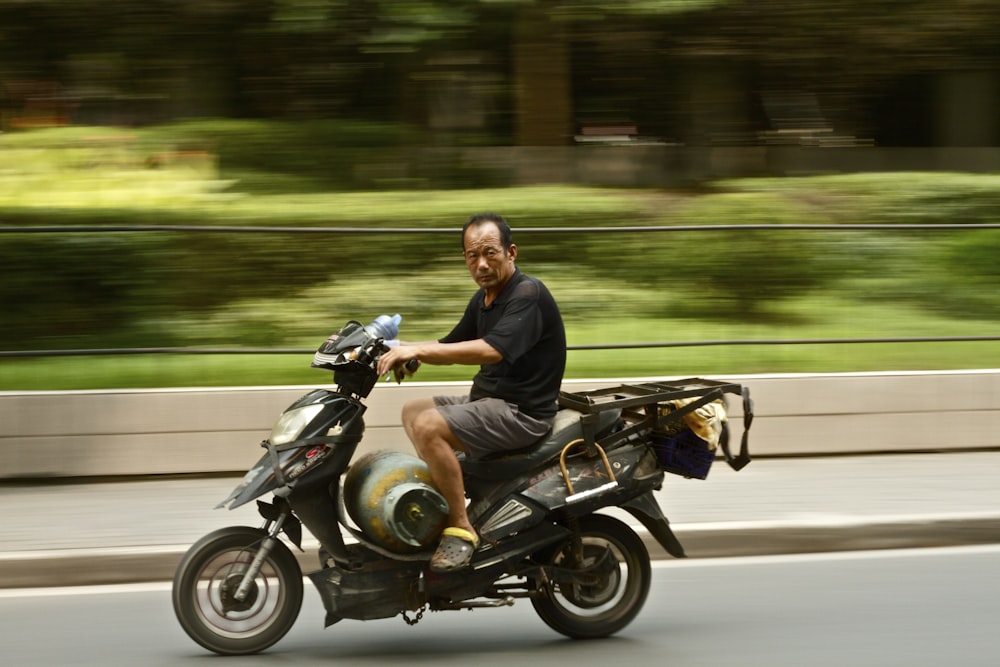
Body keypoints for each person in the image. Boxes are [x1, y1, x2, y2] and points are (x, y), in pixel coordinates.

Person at [376, 212, 566, 573]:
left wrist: (417, 351)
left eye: (489, 253)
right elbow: (451, 345)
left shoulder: (528, 294)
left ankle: (461, 527)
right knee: (412, 411)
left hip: (521, 412)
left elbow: (489, 350)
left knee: (430, 426)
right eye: (471, 256)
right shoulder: (483, 300)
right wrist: (404, 353)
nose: (480, 264)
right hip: (490, 402)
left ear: (511, 252)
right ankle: (454, 488)